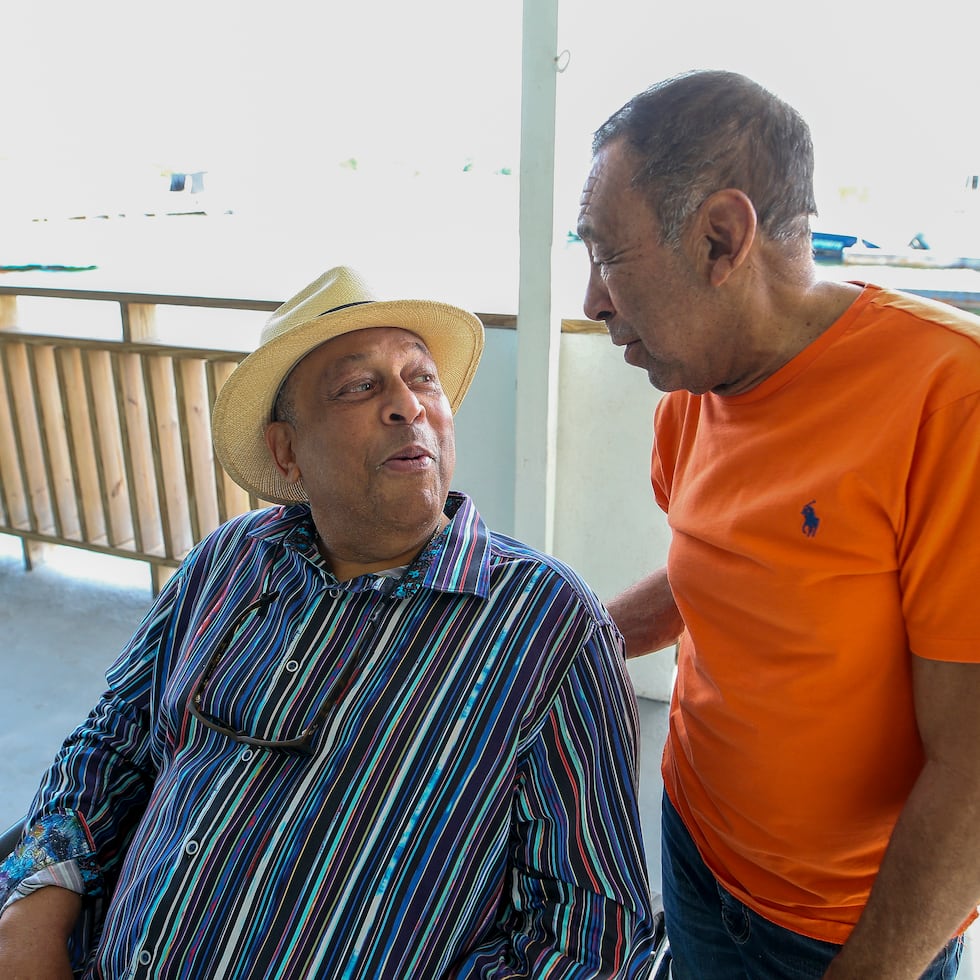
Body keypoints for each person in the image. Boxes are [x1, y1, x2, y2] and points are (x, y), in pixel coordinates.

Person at [0, 266, 655, 978]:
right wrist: (32, 908)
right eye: (360, 387)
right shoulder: (230, 562)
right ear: (287, 452)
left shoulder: (547, 625)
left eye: (422, 378)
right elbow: (107, 747)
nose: (408, 406)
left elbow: (590, 939)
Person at [576, 69, 980, 980]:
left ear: (723, 237)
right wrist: (566, 638)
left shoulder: (950, 400)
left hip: (847, 926)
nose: (593, 300)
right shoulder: (693, 388)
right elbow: (719, 570)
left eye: (607, 254)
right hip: (693, 843)